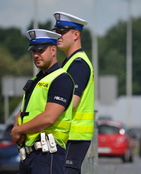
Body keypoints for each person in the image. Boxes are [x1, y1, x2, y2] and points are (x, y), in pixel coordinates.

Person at [10, 29, 74, 174]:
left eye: (41, 50)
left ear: (53, 50)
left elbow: (48, 118)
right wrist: (16, 124)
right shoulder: (35, 81)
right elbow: (25, 111)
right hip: (28, 154)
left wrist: (18, 130)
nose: (36, 55)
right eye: (34, 51)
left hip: (48, 155)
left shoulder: (61, 79)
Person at [52, 11, 95, 174]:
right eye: (56, 32)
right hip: (70, 135)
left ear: (76, 34)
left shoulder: (78, 64)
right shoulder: (69, 63)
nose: (58, 36)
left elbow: (71, 102)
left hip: (74, 136)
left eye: (62, 32)